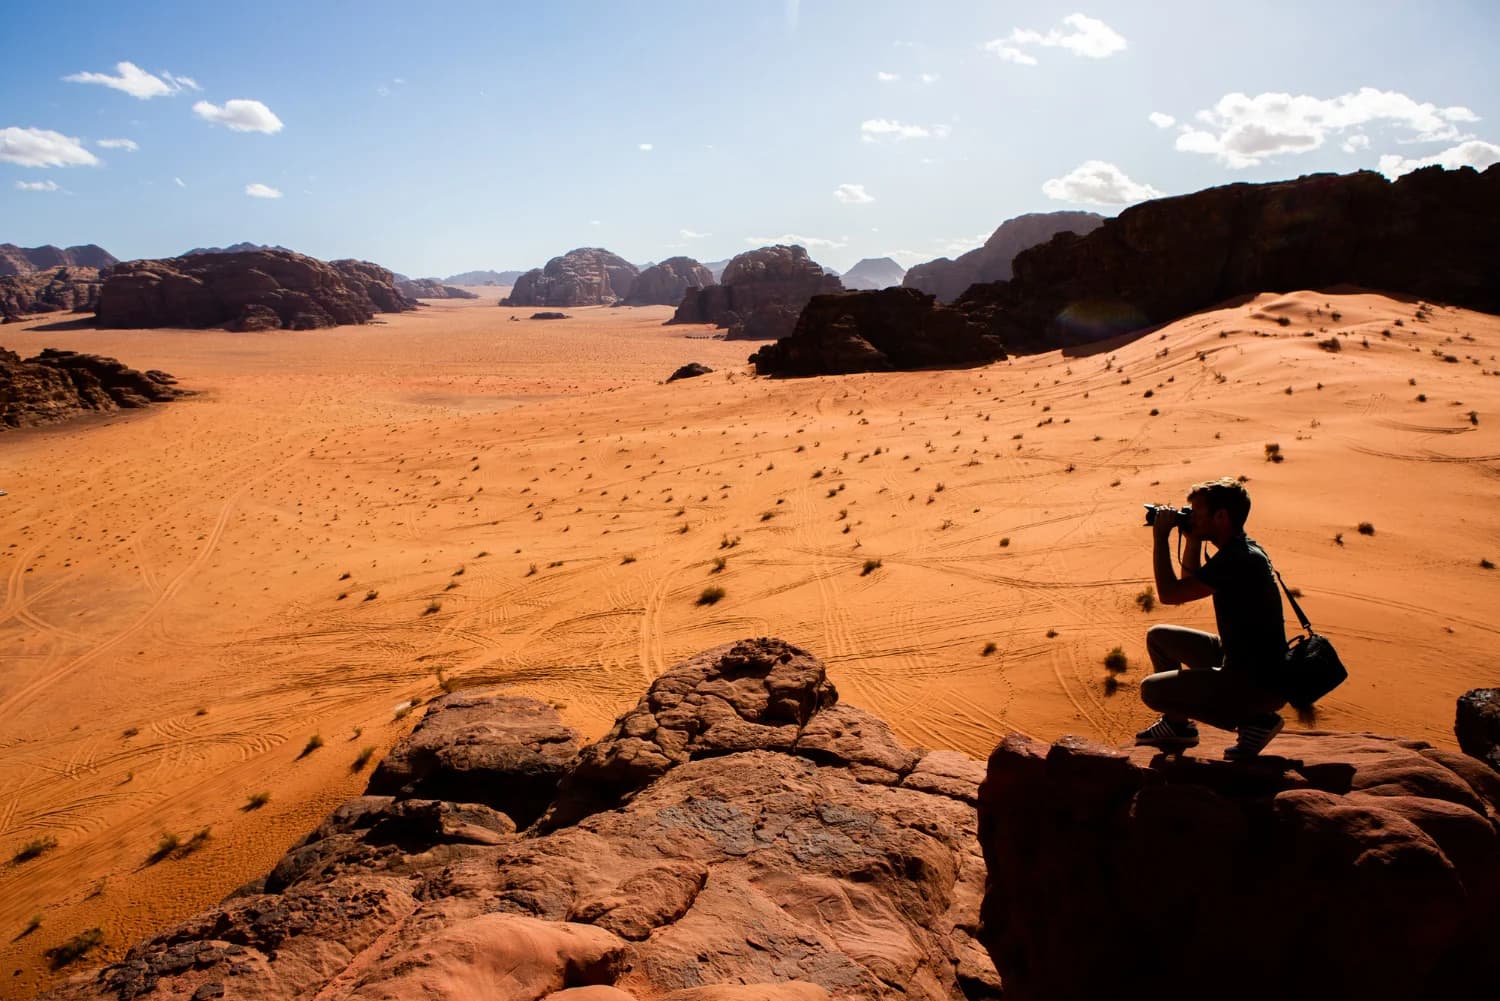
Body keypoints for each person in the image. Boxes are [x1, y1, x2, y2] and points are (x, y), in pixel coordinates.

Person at [1134, 477, 1288, 759]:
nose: (1190, 517)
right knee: (1159, 638)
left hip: (1256, 682)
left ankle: (1255, 720)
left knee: (1152, 691)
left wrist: (1160, 537)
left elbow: (1170, 594)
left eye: (1196, 512)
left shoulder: (1238, 559)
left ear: (1221, 516)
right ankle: (1176, 725)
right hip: (1245, 662)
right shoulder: (1241, 548)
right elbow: (1190, 581)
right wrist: (1192, 538)